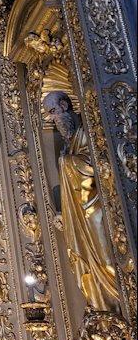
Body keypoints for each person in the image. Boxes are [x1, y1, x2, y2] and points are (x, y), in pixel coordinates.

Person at [42, 91, 120, 312]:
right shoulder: (70, 145)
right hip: (81, 219)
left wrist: (66, 163)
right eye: (49, 115)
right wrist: (65, 217)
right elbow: (74, 193)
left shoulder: (87, 135)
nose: (52, 119)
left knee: (107, 262)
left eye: (53, 112)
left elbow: (95, 166)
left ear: (65, 105)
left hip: (97, 213)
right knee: (86, 264)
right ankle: (104, 310)